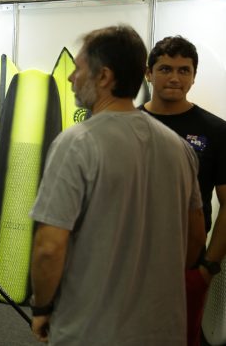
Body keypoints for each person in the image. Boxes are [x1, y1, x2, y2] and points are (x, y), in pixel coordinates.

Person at [28, 25, 206, 345]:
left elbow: (48, 247)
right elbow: (195, 239)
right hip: (164, 328)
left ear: (104, 77)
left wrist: (41, 305)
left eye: (78, 69)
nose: (71, 79)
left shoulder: (77, 143)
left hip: (93, 330)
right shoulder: (179, 148)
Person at [140, 36, 226, 346]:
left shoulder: (215, 130)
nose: (175, 78)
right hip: (128, 264)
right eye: (164, 69)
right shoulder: (124, 124)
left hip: (186, 266)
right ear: (148, 73)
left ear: (193, 76)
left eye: (184, 70)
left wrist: (207, 269)